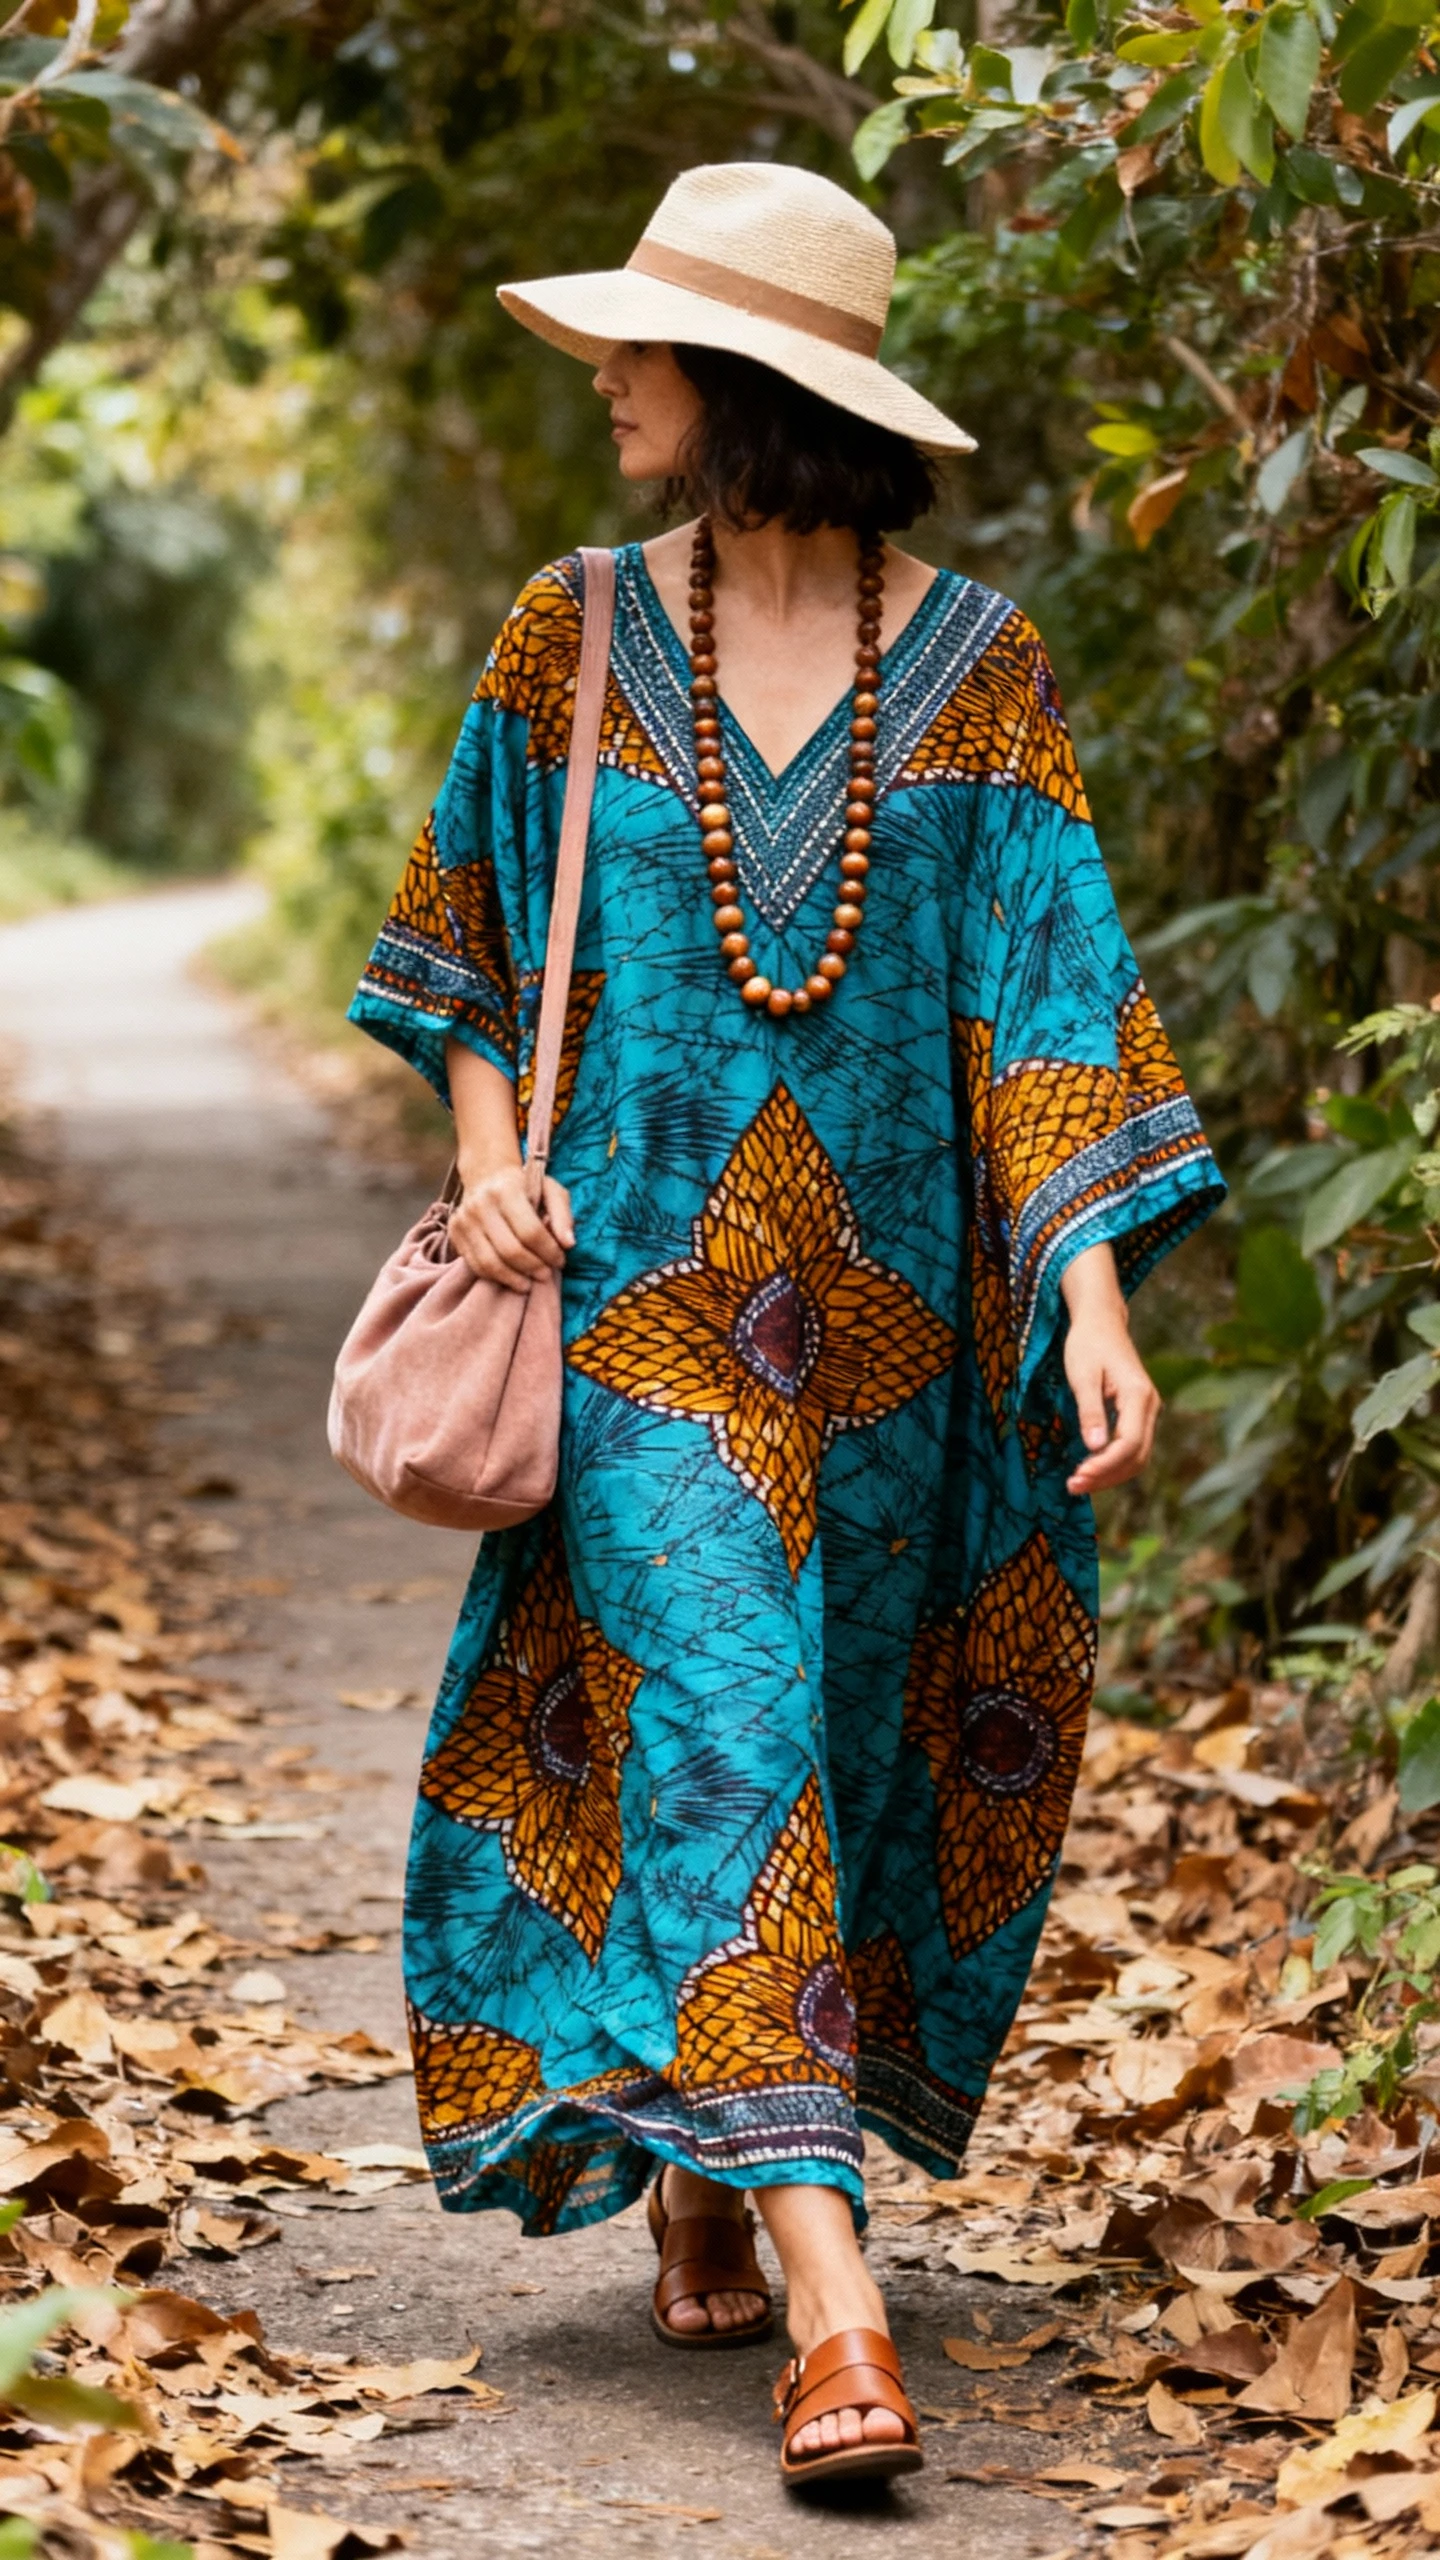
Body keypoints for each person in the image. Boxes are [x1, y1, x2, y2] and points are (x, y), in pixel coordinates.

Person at [348, 160, 1223, 2491]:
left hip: (903, 1351)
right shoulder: (577, 629)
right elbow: (464, 928)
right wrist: (481, 1148)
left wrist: (1098, 1290)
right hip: (636, 1325)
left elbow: (1048, 1004)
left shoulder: (985, 668)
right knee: (727, 1724)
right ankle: (837, 2311)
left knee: (820, 1742)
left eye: (639, 347)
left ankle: (722, 2162)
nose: (609, 379)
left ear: (743, 388)